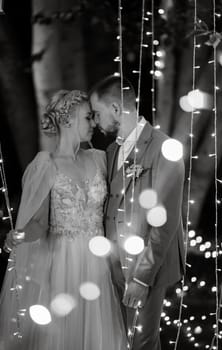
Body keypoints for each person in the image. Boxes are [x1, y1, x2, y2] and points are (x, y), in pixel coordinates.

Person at [0, 90, 127, 350]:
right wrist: (20, 235)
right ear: (67, 120)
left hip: (98, 262)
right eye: (87, 118)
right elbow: (39, 223)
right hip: (63, 264)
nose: (93, 123)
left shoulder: (99, 159)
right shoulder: (46, 165)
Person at [89, 75, 185, 350]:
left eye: (97, 113)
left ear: (117, 109)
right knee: (120, 339)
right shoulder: (111, 150)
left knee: (142, 342)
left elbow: (164, 222)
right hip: (112, 264)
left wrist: (142, 277)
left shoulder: (164, 149)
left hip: (146, 267)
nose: (95, 122)